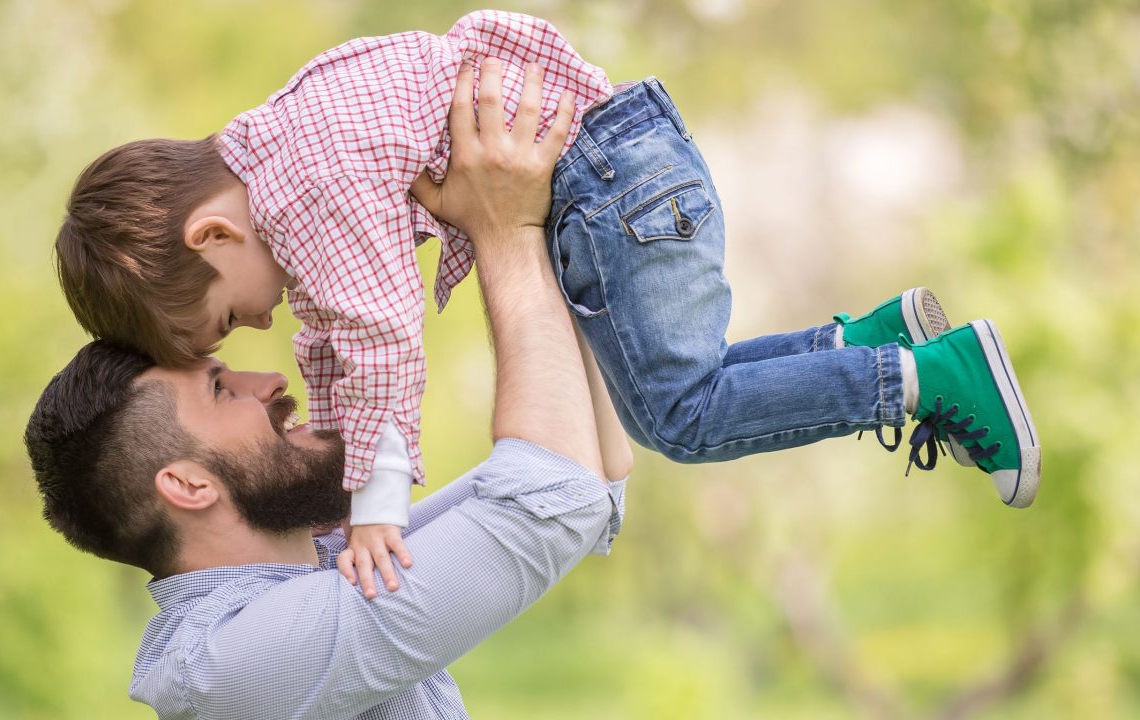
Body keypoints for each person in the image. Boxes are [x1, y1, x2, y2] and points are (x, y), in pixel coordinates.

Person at [53, 11, 1040, 585]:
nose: (260, 325)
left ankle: (929, 377)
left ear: (212, 237)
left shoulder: (304, 190)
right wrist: (347, 474)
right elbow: (333, 334)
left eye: (229, 316)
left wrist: (378, 508)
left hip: (604, 185)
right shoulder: (284, 143)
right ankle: (867, 340)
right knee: (672, 389)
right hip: (616, 168)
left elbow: (380, 339)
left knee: (683, 420)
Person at [24, 75, 631, 719]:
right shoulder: (232, 664)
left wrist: (531, 220)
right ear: (188, 485)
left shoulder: (325, 560)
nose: (270, 382)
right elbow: (552, 501)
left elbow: (591, 486)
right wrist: (504, 228)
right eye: (222, 390)